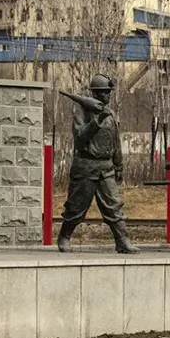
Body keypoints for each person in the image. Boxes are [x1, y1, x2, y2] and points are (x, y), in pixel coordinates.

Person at [58, 75, 138, 254]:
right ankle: (64, 236)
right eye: (103, 93)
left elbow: (115, 141)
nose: (107, 96)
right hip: (86, 166)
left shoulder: (110, 113)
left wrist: (119, 165)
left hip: (105, 167)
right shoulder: (81, 111)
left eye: (108, 93)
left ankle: (122, 241)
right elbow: (80, 138)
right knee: (77, 206)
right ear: (94, 93)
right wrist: (96, 121)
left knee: (114, 206)